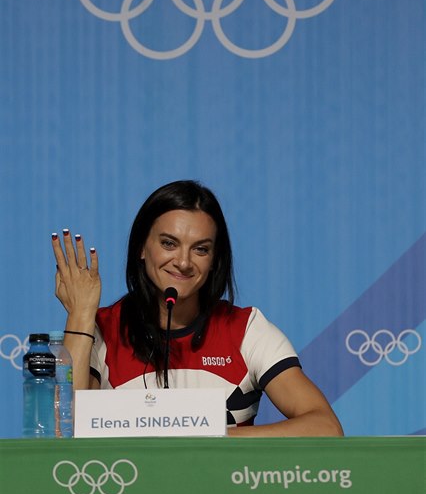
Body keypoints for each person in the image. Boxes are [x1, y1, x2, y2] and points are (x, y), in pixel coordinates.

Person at [52, 180, 343, 437]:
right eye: (169, 243)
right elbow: (64, 431)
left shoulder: (246, 330)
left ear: (215, 259)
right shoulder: (103, 329)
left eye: (201, 249)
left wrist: (210, 439)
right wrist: (80, 314)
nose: (184, 262)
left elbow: (325, 427)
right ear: (142, 247)